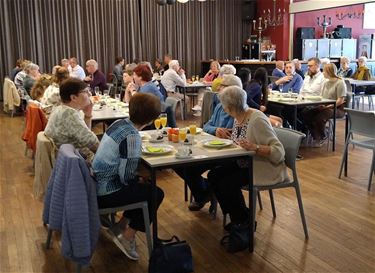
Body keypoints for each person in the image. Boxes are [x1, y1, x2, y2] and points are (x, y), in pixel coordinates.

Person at [208, 86, 288, 252]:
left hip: (261, 165)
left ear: (230, 107)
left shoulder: (256, 119)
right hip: (244, 162)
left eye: (223, 105)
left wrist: (255, 147)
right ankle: (242, 218)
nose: (222, 108)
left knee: (227, 184)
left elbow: (279, 152)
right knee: (214, 175)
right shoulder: (239, 116)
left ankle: (243, 222)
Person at [92, 93, 164, 261]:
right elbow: (125, 177)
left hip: (96, 183)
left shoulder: (119, 123)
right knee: (155, 193)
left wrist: (138, 179)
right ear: (152, 119)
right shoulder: (132, 136)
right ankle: (128, 237)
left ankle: (120, 226)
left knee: (143, 187)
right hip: (106, 192)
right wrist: (139, 178)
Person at [176, 75, 239, 211]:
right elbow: (206, 126)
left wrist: (219, 133)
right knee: (179, 162)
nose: (219, 88)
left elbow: (231, 137)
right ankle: (206, 191)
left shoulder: (237, 110)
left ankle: (205, 193)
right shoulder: (220, 106)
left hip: (226, 154)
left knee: (189, 167)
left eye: (222, 86)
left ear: (232, 90)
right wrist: (215, 130)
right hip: (210, 148)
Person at [44, 78, 99, 160]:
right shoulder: (70, 114)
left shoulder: (59, 108)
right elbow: (95, 145)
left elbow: (86, 138)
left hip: (65, 159)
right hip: (78, 162)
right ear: (73, 97)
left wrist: (88, 115)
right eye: (86, 91)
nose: (90, 94)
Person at [301, 63, 347, 147]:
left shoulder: (340, 82)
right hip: (325, 106)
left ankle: (322, 136)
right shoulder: (326, 83)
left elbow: (340, 100)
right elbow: (322, 97)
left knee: (320, 116)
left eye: (324, 71)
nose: (323, 73)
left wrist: (328, 106)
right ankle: (315, 136)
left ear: (329, 72)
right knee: (305, 113)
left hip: (337, 108)